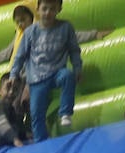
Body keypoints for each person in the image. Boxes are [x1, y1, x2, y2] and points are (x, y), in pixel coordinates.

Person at [8, 0, 82, 142]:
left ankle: (65, 113)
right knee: (36, 113)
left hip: (56, 73)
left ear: (59, 9)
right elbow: (20, 56)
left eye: (52, 9)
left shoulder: (65, 27)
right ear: (38, 9)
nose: (48, 12)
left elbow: (74, 50)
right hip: (36, 78)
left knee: (68, 75)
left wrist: (77, 67)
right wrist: (13, 73)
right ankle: (41, 141)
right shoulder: (30, 32)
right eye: (45, 9)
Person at [0, 2, 109, 71]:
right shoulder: (20, 37)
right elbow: (8, 52)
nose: (21, 24)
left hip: (39, 73)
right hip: (22, 74)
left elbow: (73, 36)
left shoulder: (43, 30)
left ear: (32, 17)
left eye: (23, 20)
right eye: (17, 22)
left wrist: (95, 34)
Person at [0, 74, 29, 148]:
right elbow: (2, 125)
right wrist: (15, 140)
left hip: (7, 146)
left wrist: (26, 135)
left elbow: (17, 127)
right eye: (8, 88)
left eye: (15, 89)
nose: (11, 92)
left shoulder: (12, 110)